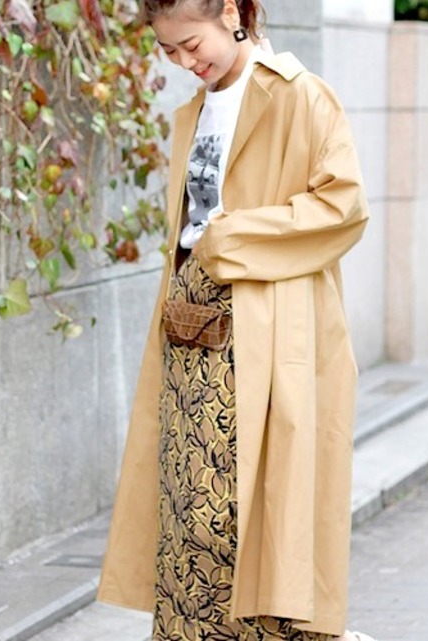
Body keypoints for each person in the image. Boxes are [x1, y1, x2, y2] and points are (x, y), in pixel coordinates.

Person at [97, 1, 374, 639]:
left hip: (265, 334)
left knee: (249, 512)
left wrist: (230, 238)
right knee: (187, 509)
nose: (184, 62)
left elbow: (344, 206)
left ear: (230, 12)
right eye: (169, 51)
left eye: (191, 45)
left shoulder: (300, 96)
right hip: (187, 334)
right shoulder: (193, 113)